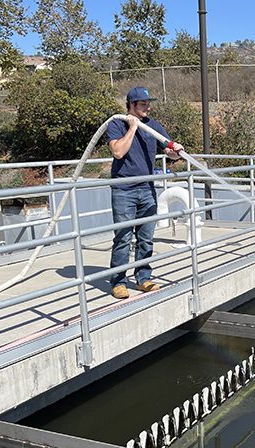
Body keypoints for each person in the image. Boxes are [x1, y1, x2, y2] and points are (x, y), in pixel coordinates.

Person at [106, 86, 184, 299]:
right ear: (131, 106)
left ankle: (143, 278)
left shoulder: (154, 126)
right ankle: (118, 282)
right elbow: (118, 151)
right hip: (124, 190)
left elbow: (167, 150)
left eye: (149, 103)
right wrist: (132, 128)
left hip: (147, 189)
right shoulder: (116, 124)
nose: (148, 107)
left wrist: (175, 151)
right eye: (143, 104)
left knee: (146, 238)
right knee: (123, 238)